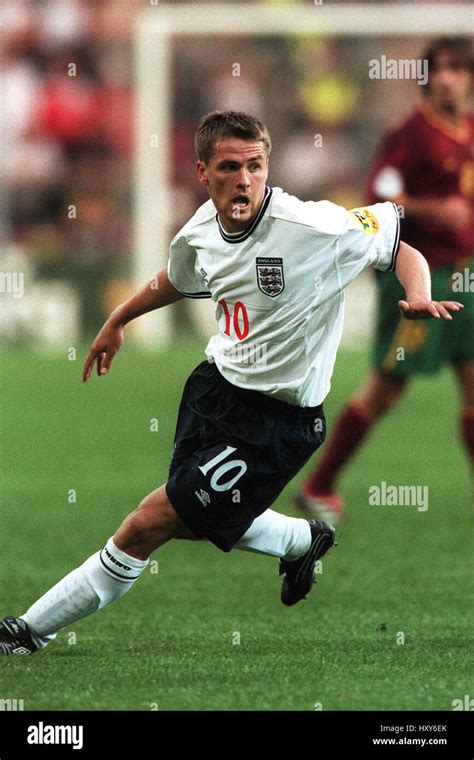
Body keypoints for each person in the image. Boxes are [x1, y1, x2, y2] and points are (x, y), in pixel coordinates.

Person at [0, 110, 463, 655]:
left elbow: (399, 244)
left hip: (276, 423)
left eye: (255, 165)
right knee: (195, 519)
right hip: (214, 391)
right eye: (229, 167)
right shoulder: (200, 228)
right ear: (203, 171)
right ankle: (300, 541)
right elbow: (176, 278)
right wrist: (118, 318)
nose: (244, 179)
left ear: (267, 167)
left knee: (151, 523)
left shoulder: (313, 226)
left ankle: (27, 632)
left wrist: (418, 293)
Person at [296, 38, 474, 522]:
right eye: (437, 69)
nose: (445, 77)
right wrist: (436, 210)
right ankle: (318, 485)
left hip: (466, 277)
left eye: (456, 69)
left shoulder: (469, 131)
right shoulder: (410, 134)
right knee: (386, 389)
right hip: (419, 278)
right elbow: (380, 195)